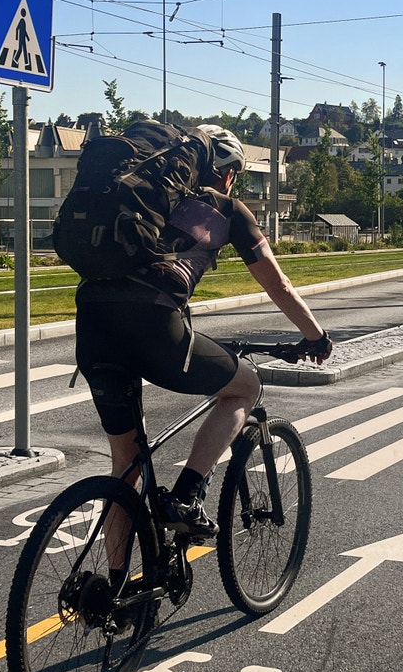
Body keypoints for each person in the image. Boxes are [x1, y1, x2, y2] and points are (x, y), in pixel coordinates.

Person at [74, 124, 333, 540]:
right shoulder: (227, 210)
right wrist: (316, 335)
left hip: (91, 324)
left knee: (126, 465)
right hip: (155, 328)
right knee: (244, 387)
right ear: (228, 172)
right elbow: (278, 285)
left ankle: (109, 596)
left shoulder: (144, 200)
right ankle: (187, 496)